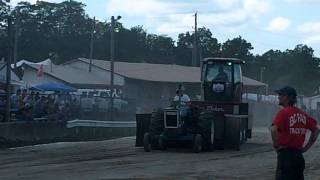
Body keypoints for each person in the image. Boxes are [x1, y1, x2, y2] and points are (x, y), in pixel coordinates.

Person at [270, 86, 320, 180]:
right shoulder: (303, 114)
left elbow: (273, 129)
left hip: (286, 156)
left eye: (281, 94)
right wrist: (306, 147)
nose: (278, 97)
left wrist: (276, 146)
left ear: (288, 97)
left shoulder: (283, 113)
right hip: (298, 156)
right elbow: (317, 130)